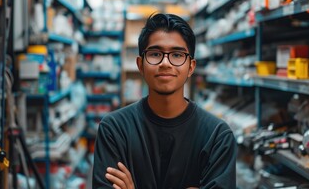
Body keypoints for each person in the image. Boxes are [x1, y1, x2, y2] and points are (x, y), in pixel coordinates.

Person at [92, 13, 237, 189]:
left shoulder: (217, 136)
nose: (165, 63)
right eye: (155, 54)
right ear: (140, 65)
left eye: (177, 55)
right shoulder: (114, 129)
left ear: (191, 67)